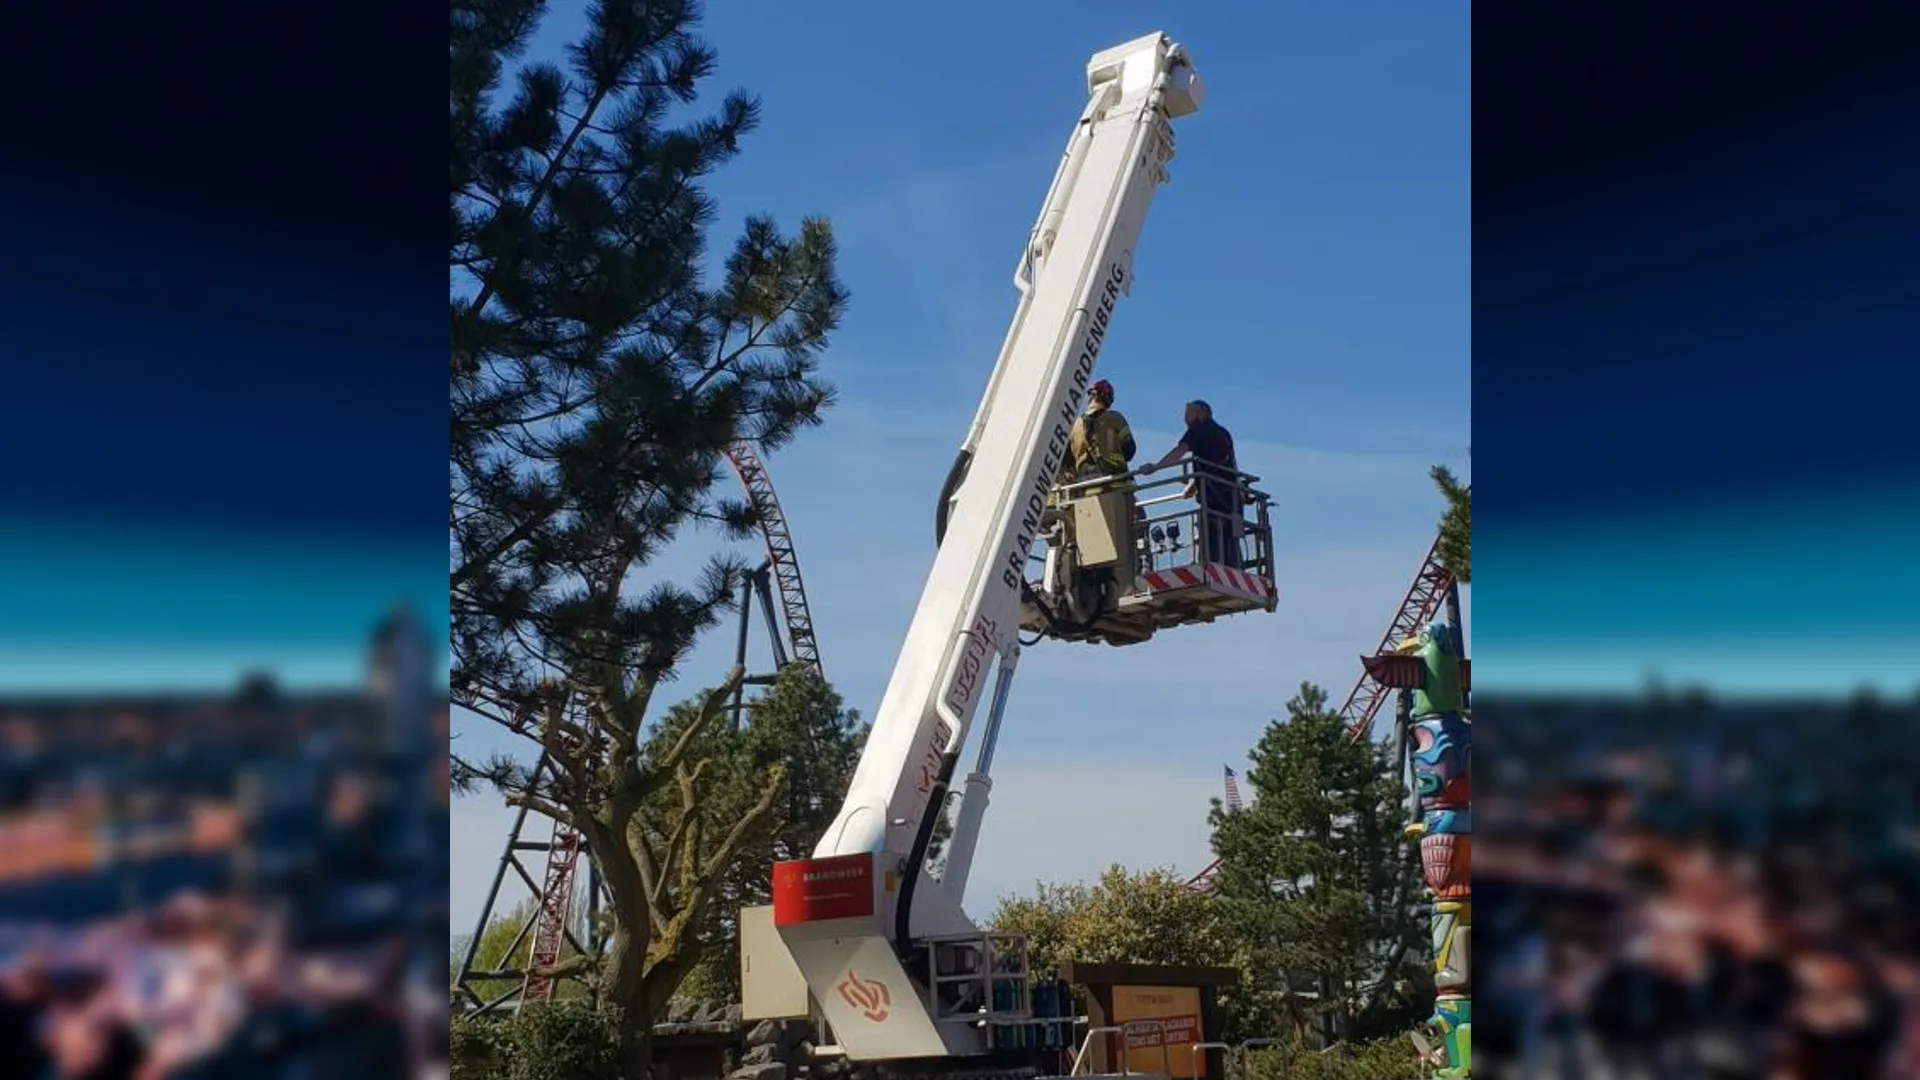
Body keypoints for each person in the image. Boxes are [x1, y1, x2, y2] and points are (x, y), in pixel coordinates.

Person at [1141, 400, 1241, 567]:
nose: (1185, 420)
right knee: (1230, 541)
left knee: (1213, 540)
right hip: (1231, 499)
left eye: (1187, 415)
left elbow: (1179, 451)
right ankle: (1231, 566)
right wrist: (1193, 486)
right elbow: (1214, 467)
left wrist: (1156, 467)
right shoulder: (1222, 433)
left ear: (1199, 414)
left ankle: (1211, 565)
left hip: (1215, 500)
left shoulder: (1200, 429)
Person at [1058, 379, 1135, 487]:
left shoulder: (1075, 426)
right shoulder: (1115, 418)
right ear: (1107, 397)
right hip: (1116, 484)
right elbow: (1130, 451)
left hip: (1085, 486)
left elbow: (1066, 460)